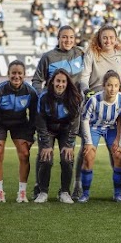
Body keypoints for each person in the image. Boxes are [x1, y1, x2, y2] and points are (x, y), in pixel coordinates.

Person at [75, 25, 121, 199]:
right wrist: (86, 91)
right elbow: (84, 77)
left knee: (116, 150)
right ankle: (78, 185)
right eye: (104, 37)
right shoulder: (92, 52)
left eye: (111, 38)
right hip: (95, 102)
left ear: (116, 39)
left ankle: (120, 187)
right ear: (99, 38)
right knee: (87, 149)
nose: (108, 41)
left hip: (115, 104)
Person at [31, 25, 84, 199]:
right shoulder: (48, 57)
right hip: (50, 110)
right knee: (45, 153)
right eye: (64, 37)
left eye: (71, 37)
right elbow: (37, 80)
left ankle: (66, 191)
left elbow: (99, 50)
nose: (68, 40)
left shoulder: (81, 53)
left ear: (75, 39)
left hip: (71, 110)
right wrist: (44, 97)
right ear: (58, 38)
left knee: (68, 155)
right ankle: (40, 189)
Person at [0, 61, 38, 203]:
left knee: (25, 154)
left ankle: (22, 193)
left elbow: (34, 116)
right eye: (13, 73)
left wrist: (30, 136)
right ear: (8, 74)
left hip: (20, 123)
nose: (16, 76)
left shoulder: (30, 92)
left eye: (19, 73)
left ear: (24, 75)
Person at [78, 71, 121, 203]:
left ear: (119, 86)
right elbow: (84, 119)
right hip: (94, 128)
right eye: (109, 85)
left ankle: (118, 193)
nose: (112, 89)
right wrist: (88, 142)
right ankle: (85, 193)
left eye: (116, 85)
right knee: (89, 156)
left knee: (119, 155)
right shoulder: (94, 100)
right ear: (103, 86)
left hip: (112, 129)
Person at [34, 69, 82, 204]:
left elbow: (75, 123)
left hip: (66, 131)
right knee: (46, 159)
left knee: (67, 159)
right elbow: (40, 121)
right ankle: (43, 192)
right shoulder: (44, 97)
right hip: (48, 130)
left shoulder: (74, 97)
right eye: (58, 81)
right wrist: (46, 144)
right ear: (52, 82)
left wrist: (69, 144)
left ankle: (65, 192)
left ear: (67, 83)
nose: (60, 84)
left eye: (63, 81)